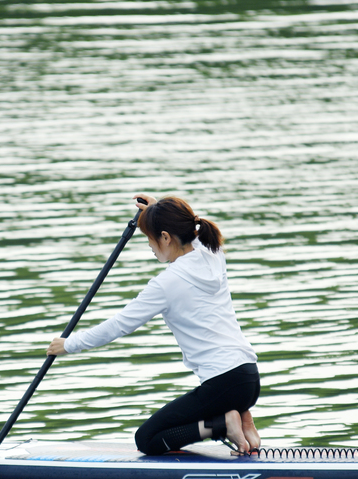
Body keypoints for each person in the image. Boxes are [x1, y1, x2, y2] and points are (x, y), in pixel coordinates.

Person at [47, 194, 261, 455]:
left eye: (150, 238)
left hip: (223, 384)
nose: (150, 246)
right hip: (248, 377)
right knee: (166, 427)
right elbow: (185, 228)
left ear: (166, 237)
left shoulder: (167, 283)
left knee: (148, 439)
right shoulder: (212, 254)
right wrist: (157, 209)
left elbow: (119, 325)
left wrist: (69, 345)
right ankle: (240, 413)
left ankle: (224, 424)